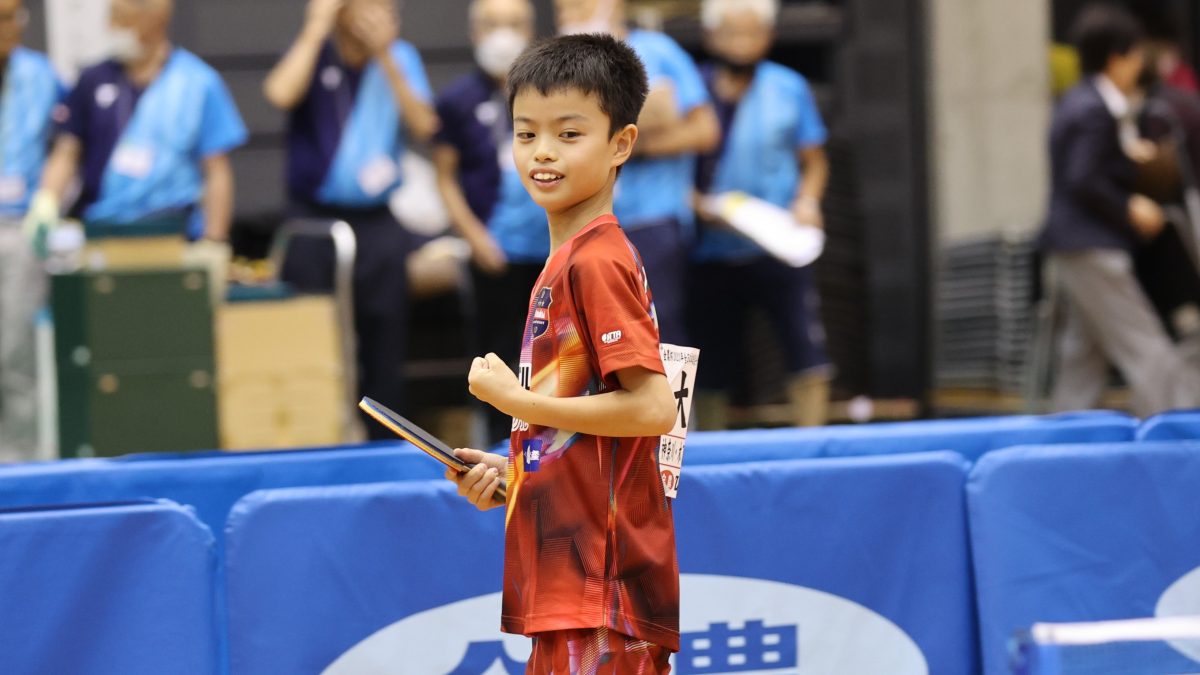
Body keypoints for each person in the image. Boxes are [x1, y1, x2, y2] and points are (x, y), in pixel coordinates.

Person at [445, 34, 679, 674]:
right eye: (526, 134)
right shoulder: (568, 260)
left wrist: (515, 401)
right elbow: (590, 429)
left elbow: (652, 406)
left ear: (621, 144)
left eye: (569, 134)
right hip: (573, 588)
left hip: (602, 592)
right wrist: (516, 472)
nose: (542, 153)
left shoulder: (597, 262)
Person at [264, 0, 438, 436]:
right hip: (314, 223)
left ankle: (386, 444)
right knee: (314, 342)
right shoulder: (315, 49)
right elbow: (279, 93)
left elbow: (426, 126)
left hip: (378, 223)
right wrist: (316, 25)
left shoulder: (400, 57)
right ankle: (316, 438)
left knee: (384, 343)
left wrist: (386, 55)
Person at [1042, 3, 1200, 416]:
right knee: (1145, 347)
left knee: (1082, 359)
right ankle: (1177, 434)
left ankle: (1064, 447)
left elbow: (1085, 168)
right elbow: (1083, 177)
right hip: (1094, 247)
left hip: (1075, 247)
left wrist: (1127, 159)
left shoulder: (1078, 102)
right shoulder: (1095, 109)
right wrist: (1131, 204)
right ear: (1118, 57)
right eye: (1134, 57)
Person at [690, 0, 832, 429]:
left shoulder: (788, 87)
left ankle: (813, 443)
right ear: (711, 36)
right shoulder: (695, 90)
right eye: (731, 33)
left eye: (751, 33)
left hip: (777, 243)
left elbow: (815, 160)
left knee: (804, 346)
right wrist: (694, 203)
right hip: (710, 249)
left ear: (768, 37)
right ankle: (712, 449)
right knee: (710, 360)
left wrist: (807, 202)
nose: (741, 43)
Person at [554, 0, 719, 346]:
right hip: (584, 224)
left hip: (654, 220)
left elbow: (704, 130)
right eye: (564, 8)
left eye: (580, 5)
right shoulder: (558, 64)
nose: (571, 14)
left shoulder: (658, 51)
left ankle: (673, 402)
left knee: (658, 329)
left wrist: (626, 145)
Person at [27, 0, 246, 259]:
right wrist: (46, 201)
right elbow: (66, 152)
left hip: (172, 232)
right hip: (101, 231)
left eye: (121, 18)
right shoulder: (94, 79)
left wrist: (214, 239)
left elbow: (217, 170)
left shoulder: (198, 82)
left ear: (156, 18)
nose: (111, 26)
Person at [433, 0, 546, 446]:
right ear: (475, 32)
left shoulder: (553, 92)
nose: (504, 34)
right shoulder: (458, 100)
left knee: (552, 353)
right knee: (496, 350)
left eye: (515, 24)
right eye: (493, 25)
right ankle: (500, 447)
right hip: (493, 251)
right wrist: (475, 237)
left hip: (550, 251)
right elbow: (445, 177)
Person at [0, 0, 62, 462]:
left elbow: (69, 144)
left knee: (17, 355)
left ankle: (19, 464)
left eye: (13, 16)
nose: (8, 27)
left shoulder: (41, 75)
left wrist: (49, 198)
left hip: (22, 227)